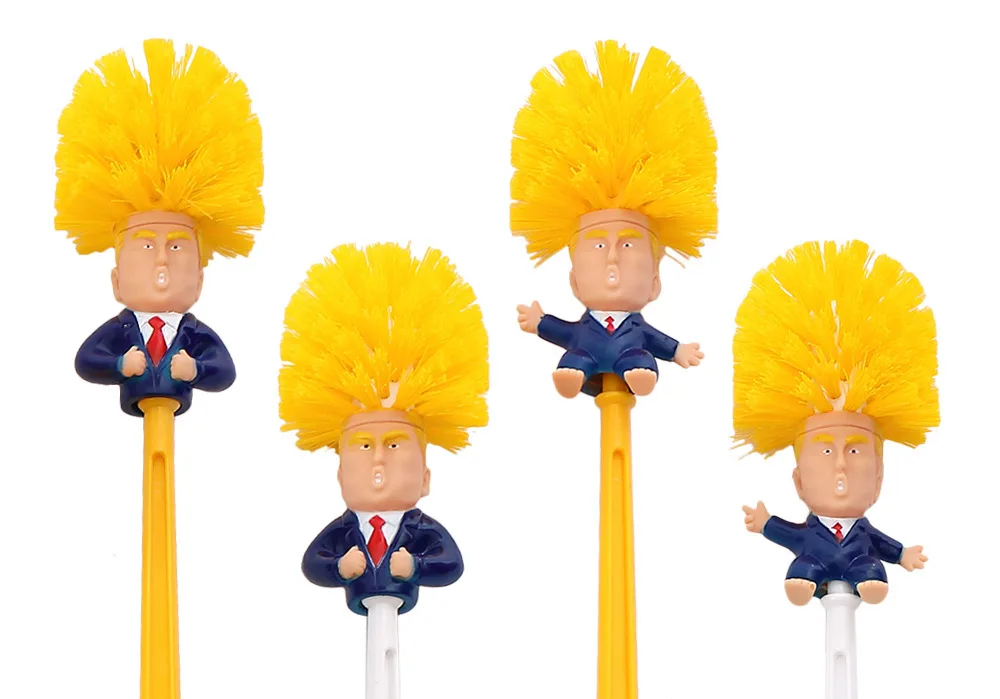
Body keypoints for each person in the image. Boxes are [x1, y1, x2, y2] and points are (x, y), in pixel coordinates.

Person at [55, 39, 263, 415]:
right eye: (146, 246)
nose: (162, 259)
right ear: (117, 282)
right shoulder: (119, 331)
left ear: (199, 281)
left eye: (177, 246)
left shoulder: (194, 333)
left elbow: (224, 371)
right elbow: (86, 361)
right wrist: (120, 365)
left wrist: (195, 370)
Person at [279, 243, 489, 614]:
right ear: (340, 476)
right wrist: (339, 567)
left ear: (425, 479)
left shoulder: (421, 529)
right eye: (364, 446)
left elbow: (451, 564)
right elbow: (313, 563)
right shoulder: (343, 531)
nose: (378, 458)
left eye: (393, 445)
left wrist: (417, 567)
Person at [734, 240, 939, 604]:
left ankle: (869, 581)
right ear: (799, 481)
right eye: (826, 450)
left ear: (878, 479)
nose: (841, 463)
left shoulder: (864, 535)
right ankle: (803, 581)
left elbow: (883, 545)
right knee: (803, 568)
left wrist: (903, 555)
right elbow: (789, 533)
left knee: (870, 569)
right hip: (812, 562)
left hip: (861, 565)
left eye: (855, 450)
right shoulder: (810, 534)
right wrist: (765, 523)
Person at [511, 42, 716, 397]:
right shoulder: (583, 330)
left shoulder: (638, 330)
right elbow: (562, 330)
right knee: (574, 358)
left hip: (631, 356)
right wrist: (539, 322)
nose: (612, 257)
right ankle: (572, 375)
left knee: (640, 359)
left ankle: (640, 374)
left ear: (654, 284)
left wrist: (679, 351)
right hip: (584, 354)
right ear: (574, 282)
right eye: (598, 245)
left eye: (628, 244)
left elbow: (658, 340)